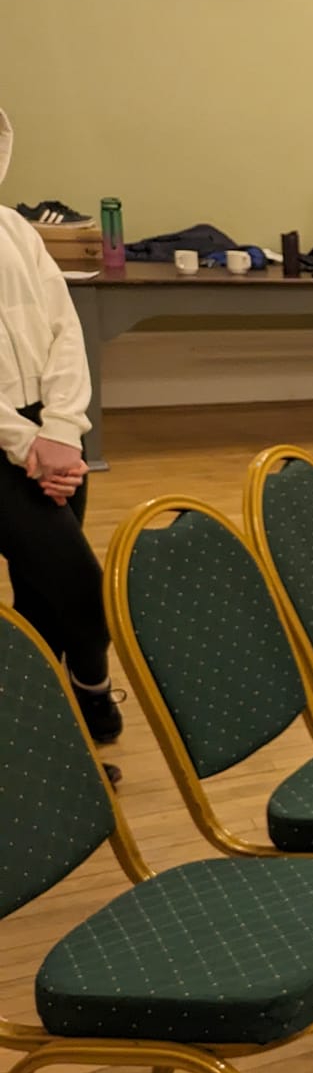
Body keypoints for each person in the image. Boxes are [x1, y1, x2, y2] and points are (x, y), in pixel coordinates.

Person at [0, 105, 122, 747]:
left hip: (50, 434)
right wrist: (29, 445)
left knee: (42, 592)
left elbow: (64, 331)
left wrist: (64, 431)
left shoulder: (16, 232)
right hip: (12, 446)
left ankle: (47, 720)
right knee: (75, 581)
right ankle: (91, 684)